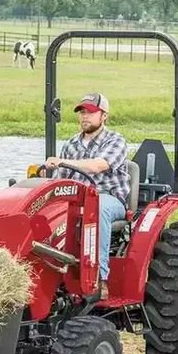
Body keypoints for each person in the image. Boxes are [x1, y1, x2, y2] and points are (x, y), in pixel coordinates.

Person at [43, 93, 129, 300]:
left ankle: (99, 278)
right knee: (48, 209)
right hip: (76, 199)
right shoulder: (71, 144)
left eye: (91, 112)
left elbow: (98, 165)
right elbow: (60, 181)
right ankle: (50, 271)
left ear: (104, 116)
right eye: (82, 112)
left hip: (108, 198)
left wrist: (64, 162)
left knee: (96, 208)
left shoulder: (115, 141)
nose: (85, 116)